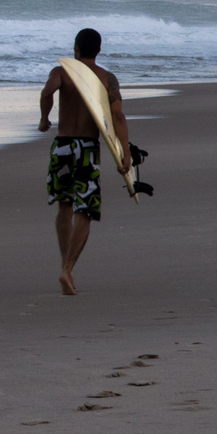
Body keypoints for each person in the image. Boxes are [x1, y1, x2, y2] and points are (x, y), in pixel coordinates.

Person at [38, 28, 130, 296]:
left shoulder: (62, 72)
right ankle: (67, 269)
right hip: (87, 148)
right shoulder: (107, 79)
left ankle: (66, 268)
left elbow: (47, 92)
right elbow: (118, 117)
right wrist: (124, 151)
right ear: (99, 50)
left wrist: (44, 118)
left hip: (62, 146)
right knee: (85, 211)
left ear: (75, 48)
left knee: (64, 206)